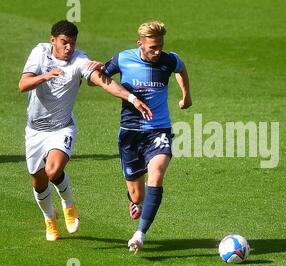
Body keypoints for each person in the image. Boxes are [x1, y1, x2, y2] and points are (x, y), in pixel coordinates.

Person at [19, 20, 152, 241]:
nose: (69, 48)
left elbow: (102, 81)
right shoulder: (39, 53)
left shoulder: (79, 59)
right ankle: (49, 219)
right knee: (38, 181)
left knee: (53, 171)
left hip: (62, 128)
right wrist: (46, 75)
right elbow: (23, 85)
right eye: (64, 43)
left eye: (72, 43)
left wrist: (131, 97)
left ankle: (69, 206)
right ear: (53, 40)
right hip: (34, 131)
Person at [101, 20, 192, 252]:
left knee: (157, 173)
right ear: (140, 44)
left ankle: (140, 234)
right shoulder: (123, 58)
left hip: (159, 129)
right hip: (130, 133)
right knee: (137, 193)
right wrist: (94, 70)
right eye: (152, 47)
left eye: (160, 45)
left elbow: (180, 68)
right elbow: (99, 78)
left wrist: (186, 95)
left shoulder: (167, 60)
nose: (157, 51)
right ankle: (134, 202)